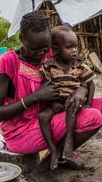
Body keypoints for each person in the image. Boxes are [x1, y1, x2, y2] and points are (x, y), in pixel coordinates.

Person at [0, 11, 102, 182]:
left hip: (56, 113)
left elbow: (78, 73)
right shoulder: (9, 62)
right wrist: (35, 97)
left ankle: (62, 157)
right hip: (21, 131)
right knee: (92, 117)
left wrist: (82, 89)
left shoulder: (50, 54)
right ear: (21, 39)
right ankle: (42, 169)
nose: (41, 54)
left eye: (45, 48)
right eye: (34, 48)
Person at [39, 26, 96, 170]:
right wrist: (52, 102)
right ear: (56, 49)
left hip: (72, 101)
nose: (74, 50)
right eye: (69, 47)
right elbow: (46, 84)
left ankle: (69, 141)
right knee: (43, 117)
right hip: (56, 102)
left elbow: (91, 84)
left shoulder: (80, 66)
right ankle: (52, 150)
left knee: (72, 110)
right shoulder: (49, 65)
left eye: (76, 46)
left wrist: (88, 102)